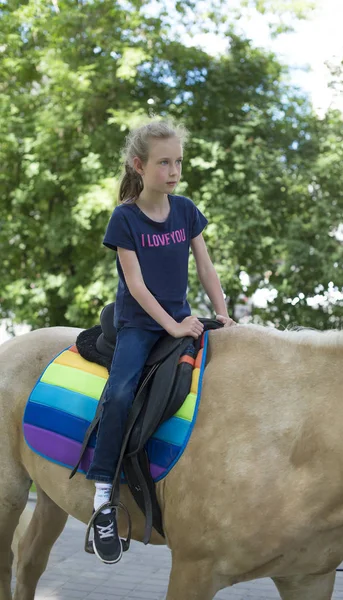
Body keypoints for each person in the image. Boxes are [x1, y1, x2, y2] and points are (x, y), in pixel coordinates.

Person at [86, 119, 236, 564]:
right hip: (140, 323)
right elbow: (134, 285)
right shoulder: (125, 218)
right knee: (120, 394)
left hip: (181, 318)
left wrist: (223, 313)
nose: (174, 171)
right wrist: (172, 326)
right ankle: (103, 497)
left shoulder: (186, 209)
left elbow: (206, 268)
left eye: (179, 162)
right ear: (139, 164)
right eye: (164, 162)